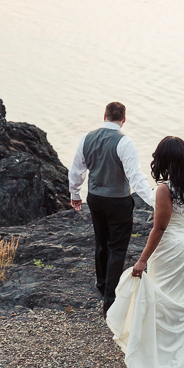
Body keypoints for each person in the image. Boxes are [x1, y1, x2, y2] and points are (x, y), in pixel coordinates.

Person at [105, 135, 184, 368]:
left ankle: (160, 353)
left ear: (163, 160)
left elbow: (159, 229)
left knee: (161, 296)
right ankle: (180, 347)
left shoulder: (164, 190)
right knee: (182, 295)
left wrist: (141, 261)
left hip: (171, 247)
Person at [69, 102, 156, 314]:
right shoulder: (125, 142)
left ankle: (102, 286)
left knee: (101, 241)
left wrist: (75, 194)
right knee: (117, 248)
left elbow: (76, 170)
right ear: (123, 120)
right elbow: (135, 177)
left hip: (96, 199)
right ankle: (110, 300)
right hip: (118, 201)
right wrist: (154, 200)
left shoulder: (86, 138)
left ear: (104, 116)